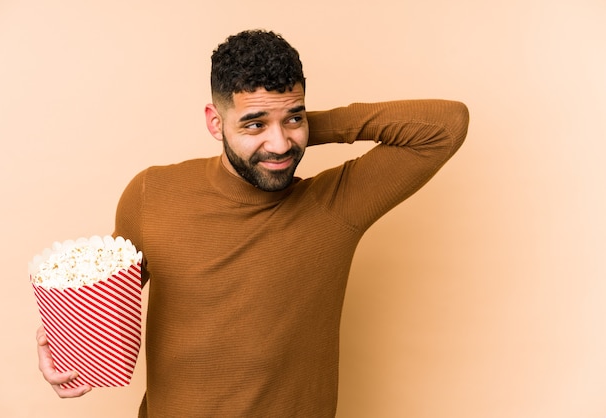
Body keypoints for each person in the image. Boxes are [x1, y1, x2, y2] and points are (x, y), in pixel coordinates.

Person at [37, 29, 469, 417]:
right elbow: (101, 298)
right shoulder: (152, 194)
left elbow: (446, 126)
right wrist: (60, 349)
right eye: (254, 124)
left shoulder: (337, 205)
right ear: (215, 122)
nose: (280, 145)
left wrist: (303, 122)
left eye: (293, 119)